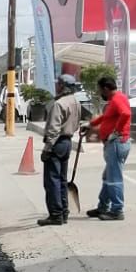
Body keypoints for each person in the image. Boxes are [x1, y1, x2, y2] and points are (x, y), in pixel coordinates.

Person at [85, 75, 131, 220]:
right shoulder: (114, 100)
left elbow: (126, 113)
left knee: (114, 178)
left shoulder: (117, 99)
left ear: (105, 88)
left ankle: (117, 210)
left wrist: (116, 131)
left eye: (100, 90)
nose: (100, 93)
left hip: (117, 143)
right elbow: (105, 117)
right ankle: (103, 207)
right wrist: (90, 125)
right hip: (113, 143)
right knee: (107, 177)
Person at [37, 74, 80, 226]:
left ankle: (55, 215)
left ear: (62, 86)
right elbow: (76, 124)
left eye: (58, 84)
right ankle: (63, 212)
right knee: (62, 180)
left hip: (57, 143)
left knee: (52, 181)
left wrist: (47, 149)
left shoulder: (59, 104)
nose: (57, 86)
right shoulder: (75, 101)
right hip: (67, 142)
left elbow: (53, 129)